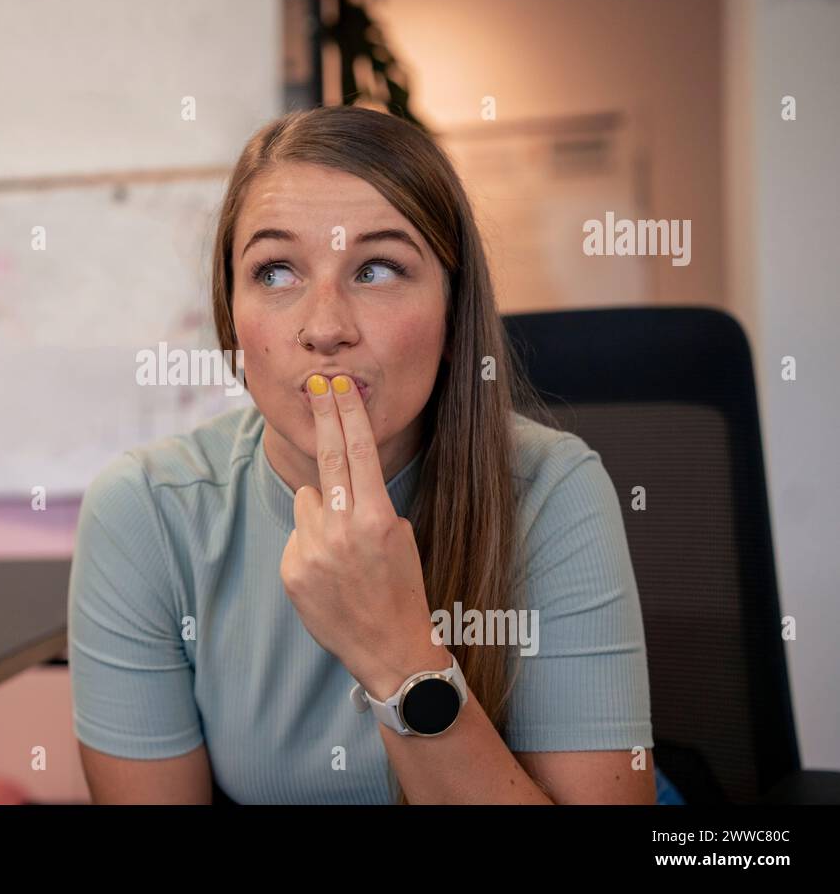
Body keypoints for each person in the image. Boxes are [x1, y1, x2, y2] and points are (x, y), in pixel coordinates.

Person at [68, 104, 656, 804]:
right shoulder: (144, 510)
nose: (325, 328)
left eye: (376, 269)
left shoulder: (553, 490)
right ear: (231, 320)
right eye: (276, 271)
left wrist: (398, 655)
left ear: (452, 306)